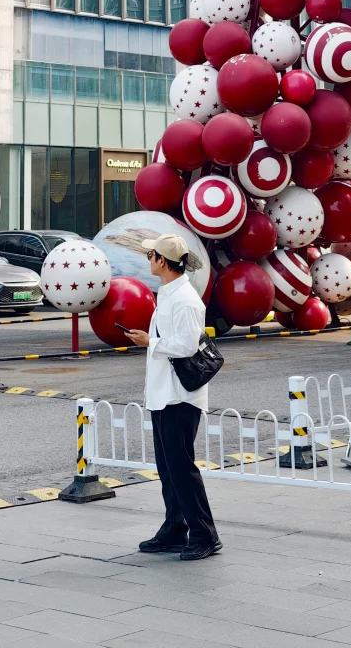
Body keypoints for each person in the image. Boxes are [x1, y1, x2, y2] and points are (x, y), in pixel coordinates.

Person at [123, 233, 221, 560]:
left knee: (181, 468)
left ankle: (205, 534)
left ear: (161, 261)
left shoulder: (186, 300)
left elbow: (187, 346)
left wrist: (148, 342)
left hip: (180, 397)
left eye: (151, 255)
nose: (148, 259)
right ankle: (175, 528)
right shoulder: (169, 294)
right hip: (165, 393)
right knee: (168, 468)